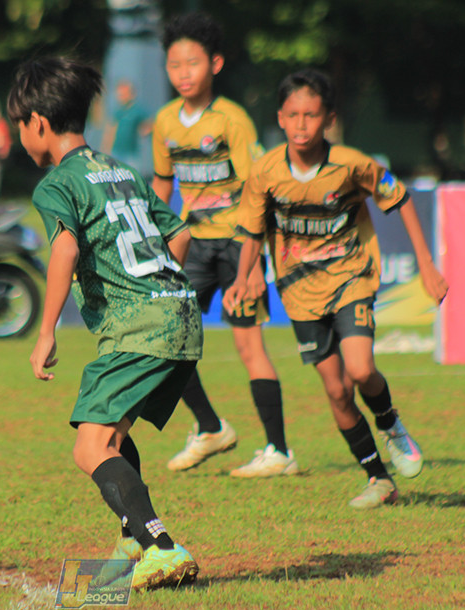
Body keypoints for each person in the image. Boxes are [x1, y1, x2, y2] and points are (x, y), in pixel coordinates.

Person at [7, 56, 204, 589]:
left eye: (18, 124)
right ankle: (131, 537)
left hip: (139, 326)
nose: (19, 135)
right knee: (113, 431)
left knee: (89, 447)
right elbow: (179, 232)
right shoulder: (120, 169)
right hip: (180, 313)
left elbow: (65, 248)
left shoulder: (56, 184)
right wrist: (161, 289)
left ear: (38, 124)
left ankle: (161, 546)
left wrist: (46, 331)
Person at [223, 69, 449, 509]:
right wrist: (244, 276)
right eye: (293, 115)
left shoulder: (351, 164)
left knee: (361, 370)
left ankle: (390, 423)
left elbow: (399, 197)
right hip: (298, 293)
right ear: (281, 119)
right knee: (336, 390)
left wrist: (426, 265)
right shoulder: (266, 171)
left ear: (329, 119)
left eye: (312, 115)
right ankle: (378, 479)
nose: (302, 124)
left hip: (351, 278)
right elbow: (251, 229)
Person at [151, 11, 297, 478]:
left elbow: (259, 188)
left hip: (238, 245)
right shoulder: (165, 122)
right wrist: (156, 234)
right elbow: (162, 183)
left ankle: (279, 451)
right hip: (193, 246)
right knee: (166, 341)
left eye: (192, 63)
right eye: (175, 65)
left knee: (248, 346)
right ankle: (211, 427)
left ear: (214, 64)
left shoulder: (232, 119)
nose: (183, 73)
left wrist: (254, 264)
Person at [100, 78, 153, 177]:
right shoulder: (118, 111)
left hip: (132, 153)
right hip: (116, 152)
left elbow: (149, 123)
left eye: (124, 93)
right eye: (119, 94)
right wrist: (105, 149)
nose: (121, 96)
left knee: (132, 178)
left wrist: (145, 130)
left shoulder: (137, 110)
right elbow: (110, 130)